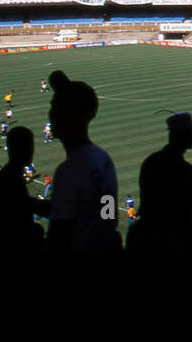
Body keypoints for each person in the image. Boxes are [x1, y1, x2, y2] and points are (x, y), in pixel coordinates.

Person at [36, 70, 118, 252]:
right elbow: (107, 215)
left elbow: (60, 233)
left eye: (55, 107)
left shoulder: (70, 170)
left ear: (71, 115)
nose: (50, 114)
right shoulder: (102, 159)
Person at [133, 111, 192, 253]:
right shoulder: (185, 170)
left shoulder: (150, 162)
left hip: (148, 238)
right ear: (184, 135)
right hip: (175, 241)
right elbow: (189, 211)